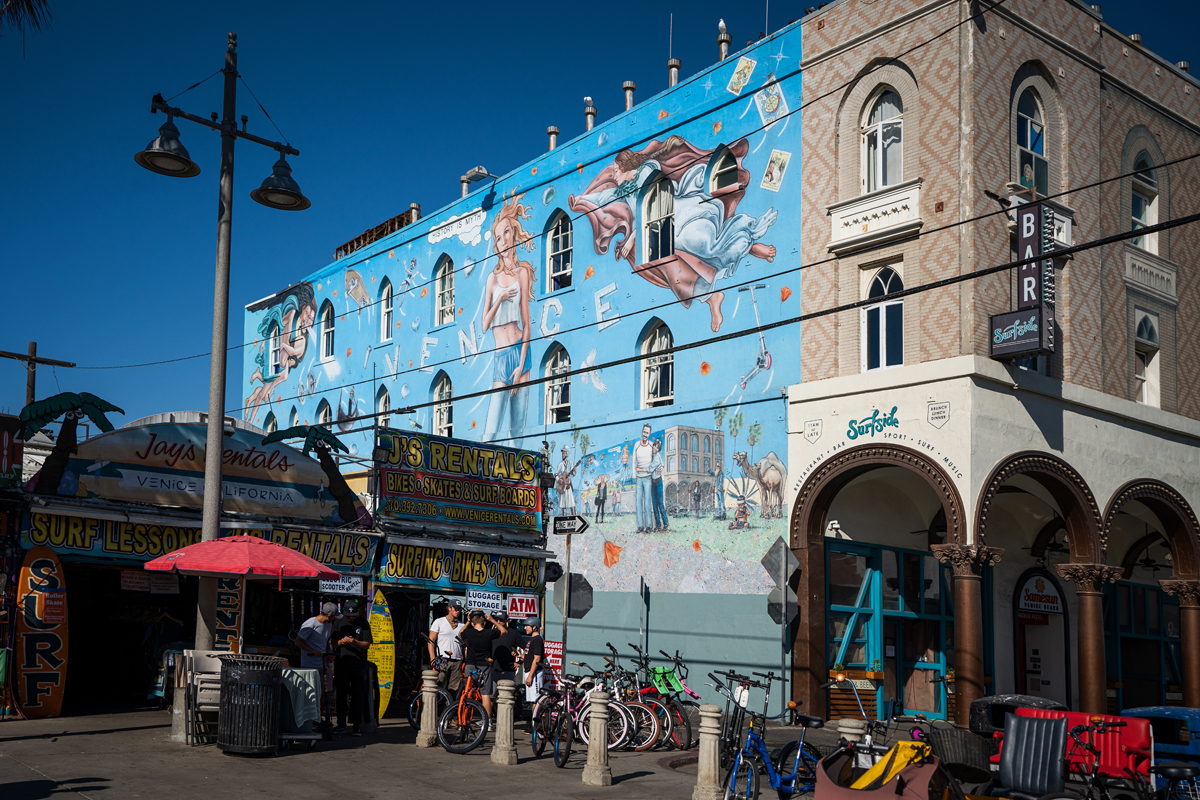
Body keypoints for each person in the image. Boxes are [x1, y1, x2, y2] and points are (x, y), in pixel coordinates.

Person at [481, 192, 535, 442]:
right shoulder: (492, 279)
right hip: (500, 356)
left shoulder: (522, 273)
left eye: (506, 233)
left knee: (517, 432)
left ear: (514, 233)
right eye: (497, 237)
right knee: (490, 431)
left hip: (520, 353)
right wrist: (500, 299)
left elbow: (527, 323)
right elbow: (484, 325)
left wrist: (522, 365)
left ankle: (518, 481)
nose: (502, 240)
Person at [333, 599, 373, 736]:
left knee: (357, 694)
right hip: (342, 661)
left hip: (358, 662)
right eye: (348, 616)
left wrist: (354, 642)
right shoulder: (339, 621)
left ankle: (356, 725)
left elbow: (367, 644)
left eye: (353, 616)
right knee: (341, 694)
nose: (350, 618)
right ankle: (341, 724)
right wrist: (340, 642)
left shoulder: (363, 623)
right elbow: (333, 643)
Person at [459, 609, 507, 718]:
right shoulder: (489, 632)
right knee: (485, 693)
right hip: (485, 666)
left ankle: (464, 717)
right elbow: (504, 631)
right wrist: (493, 621)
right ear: (484, 622)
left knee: (468, 691)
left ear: (472, 623)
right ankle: (486, 721)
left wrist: (467, 622)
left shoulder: (469, 632)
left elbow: (460, 633)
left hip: (470, 665)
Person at [428, 599, 466, 694]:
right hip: (443, 659)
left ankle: (449, 707)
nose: (458, 611)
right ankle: (437, 707)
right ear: (449, 608)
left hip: (457, 660)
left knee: (453, 689)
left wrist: (467, 659)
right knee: (439, 685)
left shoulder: (462, 625)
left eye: (459, 609)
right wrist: (433, 658)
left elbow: (465, 645)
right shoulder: (439, 622)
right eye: (455, 608)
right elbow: (431, 641)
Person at [295, 602, 338, 670]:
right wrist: (313, 651)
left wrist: (329, 650)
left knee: (328, 677)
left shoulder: (328, 623)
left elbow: (324, 639)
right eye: (334, 617)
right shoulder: (310, 624)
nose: (335, 618)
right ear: (328, 616)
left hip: (323, 662)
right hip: (309, 664)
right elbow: (297, 642)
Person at [489, 610, 520, 702]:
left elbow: (527, 648)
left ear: (507, 620)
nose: (498, 622)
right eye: (496, 620)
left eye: (501, 620)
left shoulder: (513, 633)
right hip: (493, 669)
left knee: (506, 698)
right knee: (491, 697)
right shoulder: (492, 633)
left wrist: (520, 662)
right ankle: (489, 716)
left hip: (508, 671)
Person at [633, 424, 655, 533]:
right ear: (642, 432)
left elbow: (655, 461)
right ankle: (640, 526)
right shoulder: (637, 445)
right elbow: (633, 461)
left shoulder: (651, 445)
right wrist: (634, 475)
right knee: (638, 502)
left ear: (649, 434)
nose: (645, 434)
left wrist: (649, 472)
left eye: (647, 433)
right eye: (644, 432)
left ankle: (649, 526)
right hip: (638, 478)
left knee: (647, 502)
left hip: (648, 478)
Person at [521, 619, 545, 703]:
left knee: (536, 701)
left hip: (535, 674)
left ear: (534, 627)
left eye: (527, 626)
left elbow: (537, 658)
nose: (525, 628)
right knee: (532, 700)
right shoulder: (532, 639)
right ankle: (534, 716)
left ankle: (536, 716)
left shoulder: (537, 640)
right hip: (530, 672)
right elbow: (530, 656)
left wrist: (530, 676)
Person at [651, 439, 669, 532]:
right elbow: (662, 464)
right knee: (654, 504)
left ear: (659, 449)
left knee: (660, 504)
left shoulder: (657, 456)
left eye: (657, 447)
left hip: (658, 482)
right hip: (653, 483)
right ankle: (658, 524)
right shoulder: (652, 455)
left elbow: (650, 469)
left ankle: (665, 522)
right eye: (654, 445)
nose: (655, 448)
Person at [555, 447, 577, 515]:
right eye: (562, 453)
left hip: (568, 486)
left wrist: (575, 471)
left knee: (571, 504)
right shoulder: (560, 464)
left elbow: (573, 474)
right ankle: (563, 518)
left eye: (564, 453)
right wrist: (559, 480)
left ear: (567, 454)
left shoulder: (570, 463)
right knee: (563, 505)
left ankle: (574, 517)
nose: (563, 455)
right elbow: (555, 474)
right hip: (562, 486)